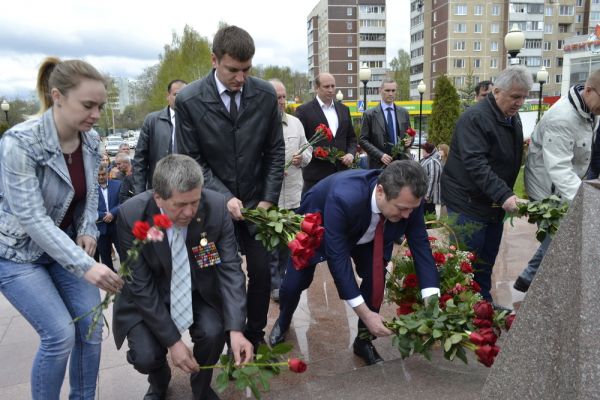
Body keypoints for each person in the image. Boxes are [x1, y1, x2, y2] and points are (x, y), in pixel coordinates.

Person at [0, 57, 123, 399]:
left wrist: (88, 231)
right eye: (88, 105)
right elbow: (33, 218)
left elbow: (89, 196)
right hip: (18, 255)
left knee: (90, 329)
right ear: (57, 96)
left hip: (66, 248)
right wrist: (87, 266)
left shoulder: (91, 139)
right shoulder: (19, 143)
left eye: (100, 105)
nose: (96, 114)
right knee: (59, 335)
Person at [176, 25, 285, 349]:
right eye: (233, 70)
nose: (241, 78)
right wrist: (224, 197)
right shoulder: (189, 100)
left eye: (247, 70)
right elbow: (191, 159)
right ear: (214, 60)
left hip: (256, 206)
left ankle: (254, 333)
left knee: (263, 272)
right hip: (210, 207)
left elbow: (275, 151)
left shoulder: (264, 94)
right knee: (214, 269)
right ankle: (225, 333)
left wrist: (266, 200)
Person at [269, 161, 440, 365]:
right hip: (319, 230)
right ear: (380, 191)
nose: (407, 216)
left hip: (368, 237)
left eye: (411, 209)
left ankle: (363, 340)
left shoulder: (409, 202)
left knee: (376, 278)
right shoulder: (343, 197)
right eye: (402, 209)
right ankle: (284, 318)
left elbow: (422, 250)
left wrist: (433, 305)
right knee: (293, 284)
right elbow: (338, 259)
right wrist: (364, 313)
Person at [113, 154, 252, 400]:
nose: (189, 212)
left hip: (197, 289)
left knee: (213, 331)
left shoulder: (217, 208)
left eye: (195, 202)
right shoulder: (131, 214)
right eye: (179, 204)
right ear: (158, 197)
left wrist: (236, 329)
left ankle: (201, 388)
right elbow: (141, 285)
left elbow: (230, 269)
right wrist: (173, 342)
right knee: (146, 357)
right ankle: (159, 380)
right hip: (149, 295)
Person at [441, 66, 532, 307]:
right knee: (464, 264)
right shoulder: (475, 118)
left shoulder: (511, 117)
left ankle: (482, 308)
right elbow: (476, 163)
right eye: (515, 96)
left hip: (492, 204)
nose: (520, 102)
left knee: (485, 261)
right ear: (497, 91)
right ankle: (459, 315)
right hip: (467, 203)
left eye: (524, 96)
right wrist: (505, 195)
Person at [513, 70, 600, 293]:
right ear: (589, 90)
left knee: (557, 239)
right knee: (561, 244)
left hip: (565, 185)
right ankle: (549, 295)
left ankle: (527, 279)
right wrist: (583, 200)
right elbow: (559, 169)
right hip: (547, 191)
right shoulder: (563, 118)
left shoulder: (590, 110)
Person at [268, 79, 312, 302]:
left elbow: (308, 148)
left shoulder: (295, 123)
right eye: (277, 97)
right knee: (270, 242)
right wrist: (271, 169)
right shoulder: (259, 123)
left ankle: (283, 280)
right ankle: (273, 283)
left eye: (284, 96)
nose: (282, 101)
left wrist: (302, 158)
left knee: (287, 240)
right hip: (269, 195)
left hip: (293, 193)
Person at [295, 72, 357, 193]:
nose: (331, 90)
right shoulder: (304, 111)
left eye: (333, 86)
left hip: (341, 174)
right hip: (316, 176)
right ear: (316, 88)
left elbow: (352, 138)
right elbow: (300, 141)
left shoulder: (344, 109)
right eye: (326, 86)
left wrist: (351, 154)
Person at [133, 79, 187, 194]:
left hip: (187, 188)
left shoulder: (195, 120)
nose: (181, 98)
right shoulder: (152, 120)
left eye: (185, 94)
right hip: (159, 189)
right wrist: (139, 194)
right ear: (168, 96)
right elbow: (140, 160)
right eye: (176, 94)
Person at [359, 77, 412, 169]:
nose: (390, 93)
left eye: (393, 90)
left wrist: (410, 140)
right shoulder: (369, 115)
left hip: (401, 165)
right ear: (380, 90)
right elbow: (363, 140)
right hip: (378, 165)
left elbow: (410, 134)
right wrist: (380, 155)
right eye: (387, 90)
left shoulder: (404, 113)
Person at [96, 166, 121, 271]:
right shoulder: (90, 189)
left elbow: (123, 202)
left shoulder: (118, 184)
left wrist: (112, 213)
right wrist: (103, 215)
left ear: (108, 174)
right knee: (105, 255)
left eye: (103, 174)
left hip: (117, 225)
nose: (101, 177)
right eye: (98, 175)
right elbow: (87, 208)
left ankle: (128, 276)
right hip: (100, 226)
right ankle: (111, 277)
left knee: (123, 252)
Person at [419, 142, 442, 216]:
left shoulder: (432, 161)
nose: (422, 152)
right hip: (425, 195)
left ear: (428, 151)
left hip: (429, 197)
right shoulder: (428, 159)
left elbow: (433, 179)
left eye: (423, 150)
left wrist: (428, 195)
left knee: (429, 215)